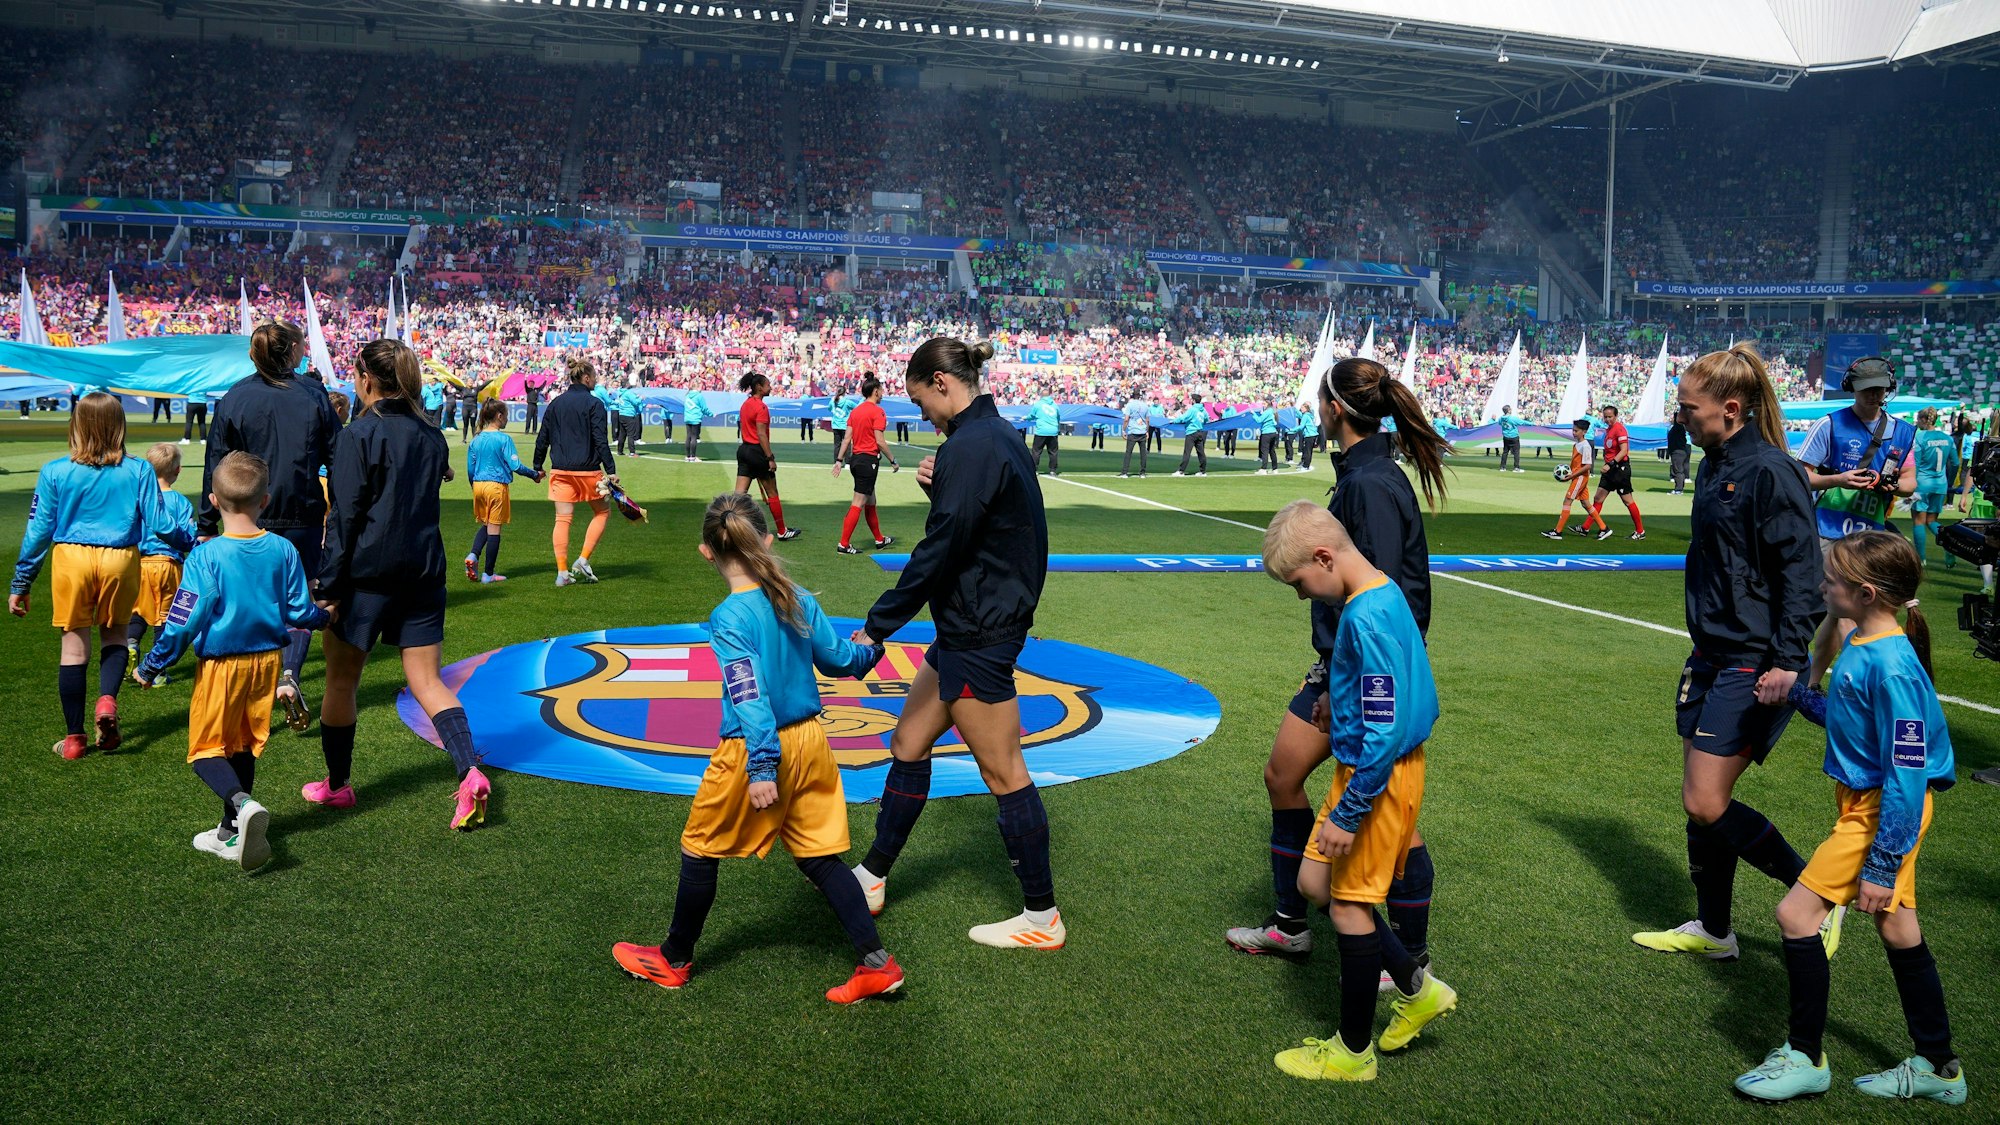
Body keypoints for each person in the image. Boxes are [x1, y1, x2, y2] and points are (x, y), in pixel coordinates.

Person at [610, 493, 900, 1004]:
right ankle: (876, 963)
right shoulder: (797, 596)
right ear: (766, 540)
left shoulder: (728, 618)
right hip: (812, 740)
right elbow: (838, 660)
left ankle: (674, 959)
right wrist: (869, 652)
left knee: (699, 847)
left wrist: (762, 765)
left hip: (755, 747)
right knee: (821, 857)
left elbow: (749, 695)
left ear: (707, 552)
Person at [1227, 356, 1451, 995]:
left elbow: (1381, 596)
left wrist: (1334, 680)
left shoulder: (1369, 483)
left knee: (1390, 816)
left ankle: (1404, 957)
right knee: (1291, 778)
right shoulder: (1367, 474)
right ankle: (1299, 920)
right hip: (1343, 669)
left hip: (1353, 675)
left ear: (1334, 409)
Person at [1731, 532, 1963, 1106]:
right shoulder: (1865, 638)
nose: (1821, 586)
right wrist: (1796, 693)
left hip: (1884, 812)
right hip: (1870, 805)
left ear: (1864, 592)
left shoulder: (1893, 668)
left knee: (1795, 914)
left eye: (1830, 579)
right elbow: (1850, 721)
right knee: (1899, 928)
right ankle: (1938, 1065)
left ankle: (1805, 1057)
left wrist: (1882, 864)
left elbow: (1907, 777)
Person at [846, 338, 1061, 950]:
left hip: (979, 631)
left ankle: (1042, 917)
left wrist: (877, 627)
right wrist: (940, 491)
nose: (922, 416)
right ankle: (873, 874)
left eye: (921, 401)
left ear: (942, 382)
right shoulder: (992, 435)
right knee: (908, 741)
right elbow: (977, 528)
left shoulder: (971, 445)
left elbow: (940, 550)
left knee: (1005, 771)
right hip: (970, 625)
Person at [1633, 346, 1834, 964]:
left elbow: (1803, 574)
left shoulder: (1771, 472)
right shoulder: (1714, 461)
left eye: (1689, 407)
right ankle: (1715, 930)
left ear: (1731, 407)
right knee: (1701, 800)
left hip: (1756, 656)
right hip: (1713, 652)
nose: (1680, 416)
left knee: (1705, 799)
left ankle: (1820, 896)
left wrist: (1786, 658)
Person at [1261, 502, 1455, 1082]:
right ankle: (1420, 990)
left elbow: (1386, 726)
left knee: (1348, 906)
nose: (1301, 595)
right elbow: (1381, 695)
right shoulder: (1379, 593)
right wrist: (1334, 703)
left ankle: (1352, 1052)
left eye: (1299, 582)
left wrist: (1348, 812)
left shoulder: (1364, 617)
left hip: (1376, 776)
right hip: (1367, 767)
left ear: (1323, 557)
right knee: (1315, 882)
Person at [309, 339, 493, 830]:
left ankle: (337, 785)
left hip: (366, 576)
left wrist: (326, 586)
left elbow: (344, 519)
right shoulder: (431, 434)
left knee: (342, 680)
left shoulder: (358, 435)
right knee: (429, 682)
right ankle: (469, 770)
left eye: (354, 373)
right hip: (424, 571)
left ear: (367, 379)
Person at [135, 452, 329, 872]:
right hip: (267, 663)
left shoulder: (206, 557)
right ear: (265, 500)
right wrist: (326, 617)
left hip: (223, 665)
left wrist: (153, 664)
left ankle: (242, 805)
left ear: (213, 499)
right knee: (242, 744)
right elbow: (299, 612)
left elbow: (185, 619)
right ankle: (229, 832)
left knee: (205, 751)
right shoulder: (283, 549)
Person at [10, 392, 193, 759]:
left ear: (76, 424)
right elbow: (159, 523)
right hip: (121, 560)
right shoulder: (139, 469)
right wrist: (191, 541)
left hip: (71, 560)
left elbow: (38, 531)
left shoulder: (55, 471)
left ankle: (75, 738)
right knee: (115, 635)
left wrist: (21, 581)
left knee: (74, 645)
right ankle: (107, 701)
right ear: (119, 426)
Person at [200, 321, 343, 734]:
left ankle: (252, 688)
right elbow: (339, 459)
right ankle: (287, 674)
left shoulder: (235, 398)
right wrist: (341, 515)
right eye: (301, 345)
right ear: (293, 350)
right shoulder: (313, 394)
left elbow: (216, 463)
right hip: (302, 513)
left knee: (252, 603)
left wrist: (207, 523)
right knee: (301, 599)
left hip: (248, 514)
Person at [1799, 357, 1916, 689]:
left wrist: (1889, 484)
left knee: (1840, 613)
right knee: (1847, 611)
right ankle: (1856, 683)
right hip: (1827, 530)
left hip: (1870, 537)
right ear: (1852, 388)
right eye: (1867, 390)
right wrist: (1839, 479)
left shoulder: (1902, 432)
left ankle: (1812, 682)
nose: (1873, 396)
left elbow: (1909, 481)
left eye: (1879, 390)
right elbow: (1801, 475)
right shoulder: (1830, 424)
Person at [533, 357, 619, 587]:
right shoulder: (595, 404)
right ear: (587, 377)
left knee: (562, 519)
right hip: (588, 471)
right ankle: (583, 559)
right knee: (602, 512)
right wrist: (610, 470)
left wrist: (537, 466)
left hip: (560, 470)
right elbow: (601, 440)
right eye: (595, 378)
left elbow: (543, 438)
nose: (596, 382)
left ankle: (562, 573)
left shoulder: (555, 403)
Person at [125, 443, 200, 681]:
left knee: (138, 608)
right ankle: (157, 671)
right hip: (168, 565)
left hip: (139, 564)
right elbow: (189, 535)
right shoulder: (180, 502)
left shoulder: (137, 499)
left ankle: (130, 644)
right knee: (165, 616)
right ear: (177, 470)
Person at [465, 400, 544, 584]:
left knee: (486, 523)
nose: (507, 419)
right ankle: (488, 574)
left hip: (478, 485)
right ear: (499, 416)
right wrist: (534, 475)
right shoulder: (504, 439)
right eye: (506, 416)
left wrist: (474, 487)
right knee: (494, 529)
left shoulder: (476, 440)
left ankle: (473, 555)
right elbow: (515, 465)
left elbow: (471, 469)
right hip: (496, 486)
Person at [833, 375, 898, 555]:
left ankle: (879, 539)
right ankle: (843, 544)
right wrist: (893, 460)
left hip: (855, 460)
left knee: (871, 500)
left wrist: (839, 460)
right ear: (875, 391)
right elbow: (880, 441)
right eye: (881, 390)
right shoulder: (878, 411)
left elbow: (846, 439)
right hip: (868, 462)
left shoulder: (856, 411)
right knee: (858, 503)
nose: (883, 393)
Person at [735, 372, 801, 541]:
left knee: (739, 495)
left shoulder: (745, 404)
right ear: (759, 387)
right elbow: (761, 434)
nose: (770, 387)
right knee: (772, 493)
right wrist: (770, 457)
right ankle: (781, 531)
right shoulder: (761, 407)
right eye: (768, 385)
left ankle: (729, 525)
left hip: (744, 450)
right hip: (758, 452)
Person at [1584, 404, 1646, 541]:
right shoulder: (1608, 430)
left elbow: (1624, 450)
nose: (1607, 419)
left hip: (1619, 469)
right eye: (1605, 417)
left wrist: (1611, 464)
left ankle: (1640, 531)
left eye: (1610, 417)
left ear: (1616, 416)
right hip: (1610, 470)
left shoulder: (1619, 429)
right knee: (1598, 498)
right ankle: (1585, 528)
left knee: (1627, 500)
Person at [1908, 408, 1958, 568]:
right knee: (1932, 520)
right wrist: (1948, 483)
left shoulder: (1920, 437)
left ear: (1923, 419)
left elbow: (1914, 463)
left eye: (1918, 419)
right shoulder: (1947, 439)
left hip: (1921, 484)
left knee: (1919, 521)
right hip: (1940, 484)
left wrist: (1911, 488)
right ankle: (1949, 547)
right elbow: (1956, 463)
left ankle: (1921, 560)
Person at [1541, 419, 1605, 540]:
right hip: (1577, 477)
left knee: (1567, 501)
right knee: (1586, 504)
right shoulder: (1577, 445)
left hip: (1579, 478)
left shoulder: (1586, 446)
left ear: (1584, 432)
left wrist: (1571, 475)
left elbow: (1587, 466)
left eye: (1576, 431)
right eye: (1573, 430)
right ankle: (1604, 528)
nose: (1574, 433)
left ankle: (1557, 532)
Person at [1173, 394, 1208, 477]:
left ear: (1194, 400)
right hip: (1200, 432)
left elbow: (1183, 418)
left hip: (1191, 432)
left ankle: (1181, 471)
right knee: (1201, 453)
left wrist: (1174, 420)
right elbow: (1206, 419)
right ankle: (1203, 471)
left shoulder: (1192, 409)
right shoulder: (1203, 410)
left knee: (1187, 452)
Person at [1028, 391, 1062, 476]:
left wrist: (1025, 418)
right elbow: (1058, 417)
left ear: (1041, 396)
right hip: (1053, 431)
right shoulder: (1055, 405)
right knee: (1053, 452)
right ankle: (1053, 470)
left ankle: (1034, 470)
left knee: (1036, 452)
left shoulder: (1038, 404)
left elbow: (1032, 415)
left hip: (1041, 431)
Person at [1118, 393, 1150, 478]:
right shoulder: (1145, 406)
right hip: (1142, 431)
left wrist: (1123, 430)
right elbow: (1147, 420)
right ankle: (1142, 473)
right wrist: (1147, 431)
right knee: (1143, 453)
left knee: (1128, 452)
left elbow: (1126, 419)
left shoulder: (1130, 405)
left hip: (1133, 431)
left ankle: (1125, 472)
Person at [612, 380, 643, 456]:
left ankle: (620, 451)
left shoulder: (620, 392)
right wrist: (641, 398)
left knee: (622, 434)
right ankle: (632, 452)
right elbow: (635, 402)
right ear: (626, 384)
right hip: (629, 415)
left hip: (621, 414)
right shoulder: (628, 393)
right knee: (630, 434)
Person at [1666, 408, 1692, 494]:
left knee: (1678, 470)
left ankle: (1678, 489)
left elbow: (1677, 422)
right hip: (1679, 451)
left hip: (1677, 452)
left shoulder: (1678, 428)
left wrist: (1678, 413)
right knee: (1679, 470)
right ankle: (1679, 488)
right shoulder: (1680, 429)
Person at [683, 385, 709, 462]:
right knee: (694, 437)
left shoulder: (687, 395)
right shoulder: (699, 396)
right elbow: (704, 408)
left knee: (688, 436)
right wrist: (711, 414)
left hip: (688, 418)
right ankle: (693, 457)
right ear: (696, 387)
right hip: (695, 418)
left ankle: (687, 456)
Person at [829, 384, 857, 457]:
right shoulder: (847, 402)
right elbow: (857, 408)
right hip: (845, 425)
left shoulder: (833, 401)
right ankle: (847, 462)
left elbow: (829, 409)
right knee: (847, 444)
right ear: (844, 393)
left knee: (837, 445)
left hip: (835, 425)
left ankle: (836, 462)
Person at [1496, 406, 1525, 472]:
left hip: (1506, 437)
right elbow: (1522, 422)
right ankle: (1516, 468)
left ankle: (1502, 467)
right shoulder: (1512, 418)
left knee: (1505, 452)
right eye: (1510, 409)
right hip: (1514, 437)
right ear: (1508, 410)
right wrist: (1533, 424)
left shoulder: (1501, 418)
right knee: (1516, 452)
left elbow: (1500, 423)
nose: (1511, 410)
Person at [1297, 398, 1322, 472]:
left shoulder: (1305, 416)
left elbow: (1301, 426)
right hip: (1313, 435)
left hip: (1309, 435)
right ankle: (1306, 464)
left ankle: (1305, 466)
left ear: (1306, 408)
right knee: (1309, 451)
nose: (1301, 409)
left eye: (1302, 408)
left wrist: (1293, 430)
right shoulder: (1310, 415)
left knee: (1307, 451)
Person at [1254, 401, 1280, 474]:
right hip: (1273, 432)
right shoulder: (1273, 411)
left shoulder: (1267, 412)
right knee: (1272, 451)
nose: (1263, 405)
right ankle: (1275, 469)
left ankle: (1263, 469)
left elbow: (1259, 420)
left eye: (1264, 404)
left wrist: (1253, 414)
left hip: (1266, 433)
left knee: (1264, 451)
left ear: (1267, 405)